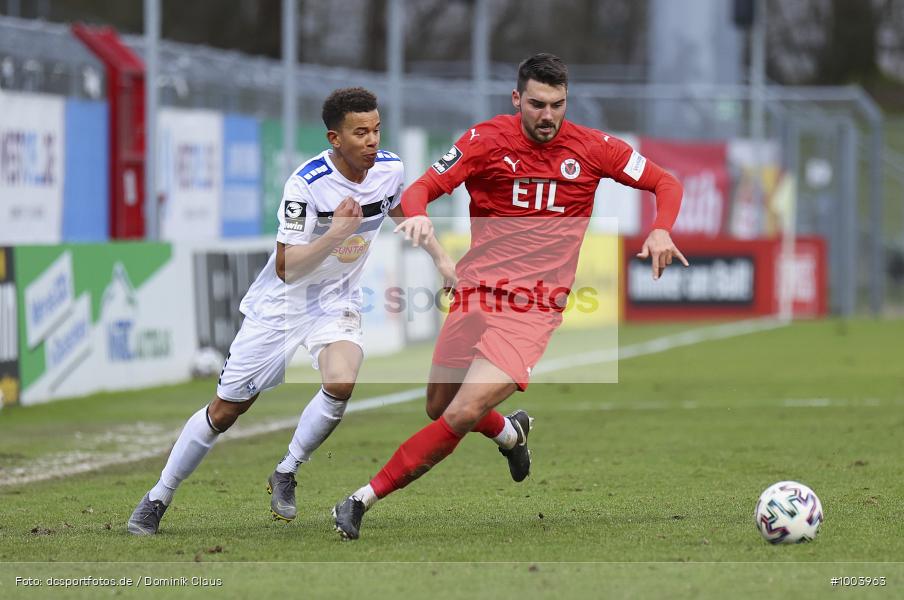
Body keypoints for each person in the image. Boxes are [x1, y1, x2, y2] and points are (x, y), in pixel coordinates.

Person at [332, 54, 688, 540]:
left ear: (567, 102)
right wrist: (417, 215)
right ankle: (509, 433)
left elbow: (664, 181)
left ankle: (359, 501)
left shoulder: (594, 148)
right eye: (538, 104)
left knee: (459, 414)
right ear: (517, 99)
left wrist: (661, 229)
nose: (548, 115)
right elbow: (419, 190)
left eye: (558, 105)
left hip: (534, 308)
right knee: (439, 405)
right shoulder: (485, 141)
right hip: (476, 293)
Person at [128, 87, 456, 535]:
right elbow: (286, 267)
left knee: (341, 381)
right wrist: (336, 234)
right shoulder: (306, 183)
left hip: (336, 300)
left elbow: (403, 212)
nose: (372, 140)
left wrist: (440, 257)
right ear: (334, 138)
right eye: (360, 132)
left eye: (376, 129)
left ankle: (286, 470)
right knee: (226, 411)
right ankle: (158, 497)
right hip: (281, 305)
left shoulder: (390, 169)